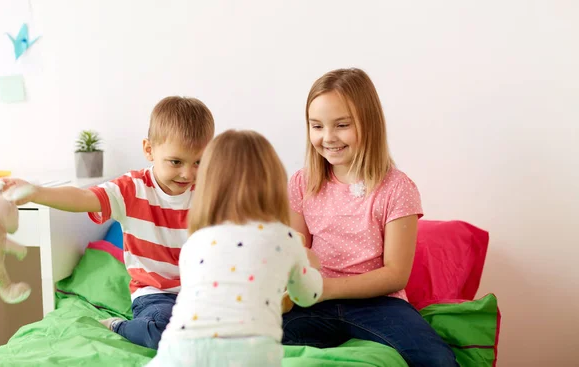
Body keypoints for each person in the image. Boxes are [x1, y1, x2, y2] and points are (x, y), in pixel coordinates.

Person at [2, 96, 215, 350]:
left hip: (205, 293)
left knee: (267, 322)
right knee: (164, 332)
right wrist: (36, 192)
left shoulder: (209, 189)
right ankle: (118, 325)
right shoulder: (131, 189)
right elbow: (82, 198)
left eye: (198, 162)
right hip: (156, 295)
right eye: (176, 162)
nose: (188, 174)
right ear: (149, 150)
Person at [282, 68, 459, 367]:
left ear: (369, 123)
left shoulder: (397, 188)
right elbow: (298, 252)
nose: (328, 137)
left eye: (341, 125)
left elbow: (395, 274)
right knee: (247, 342)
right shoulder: (302, 182)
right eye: (317, 126)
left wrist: (326, 288)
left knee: (437, 360)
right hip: (313, 303)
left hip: (379, 305)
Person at [148, 129, 323, 367]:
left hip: (181, 350)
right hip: (252, 354)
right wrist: (312, 266)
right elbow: (307, 295)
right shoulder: (286, 238)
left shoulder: (195, 241)